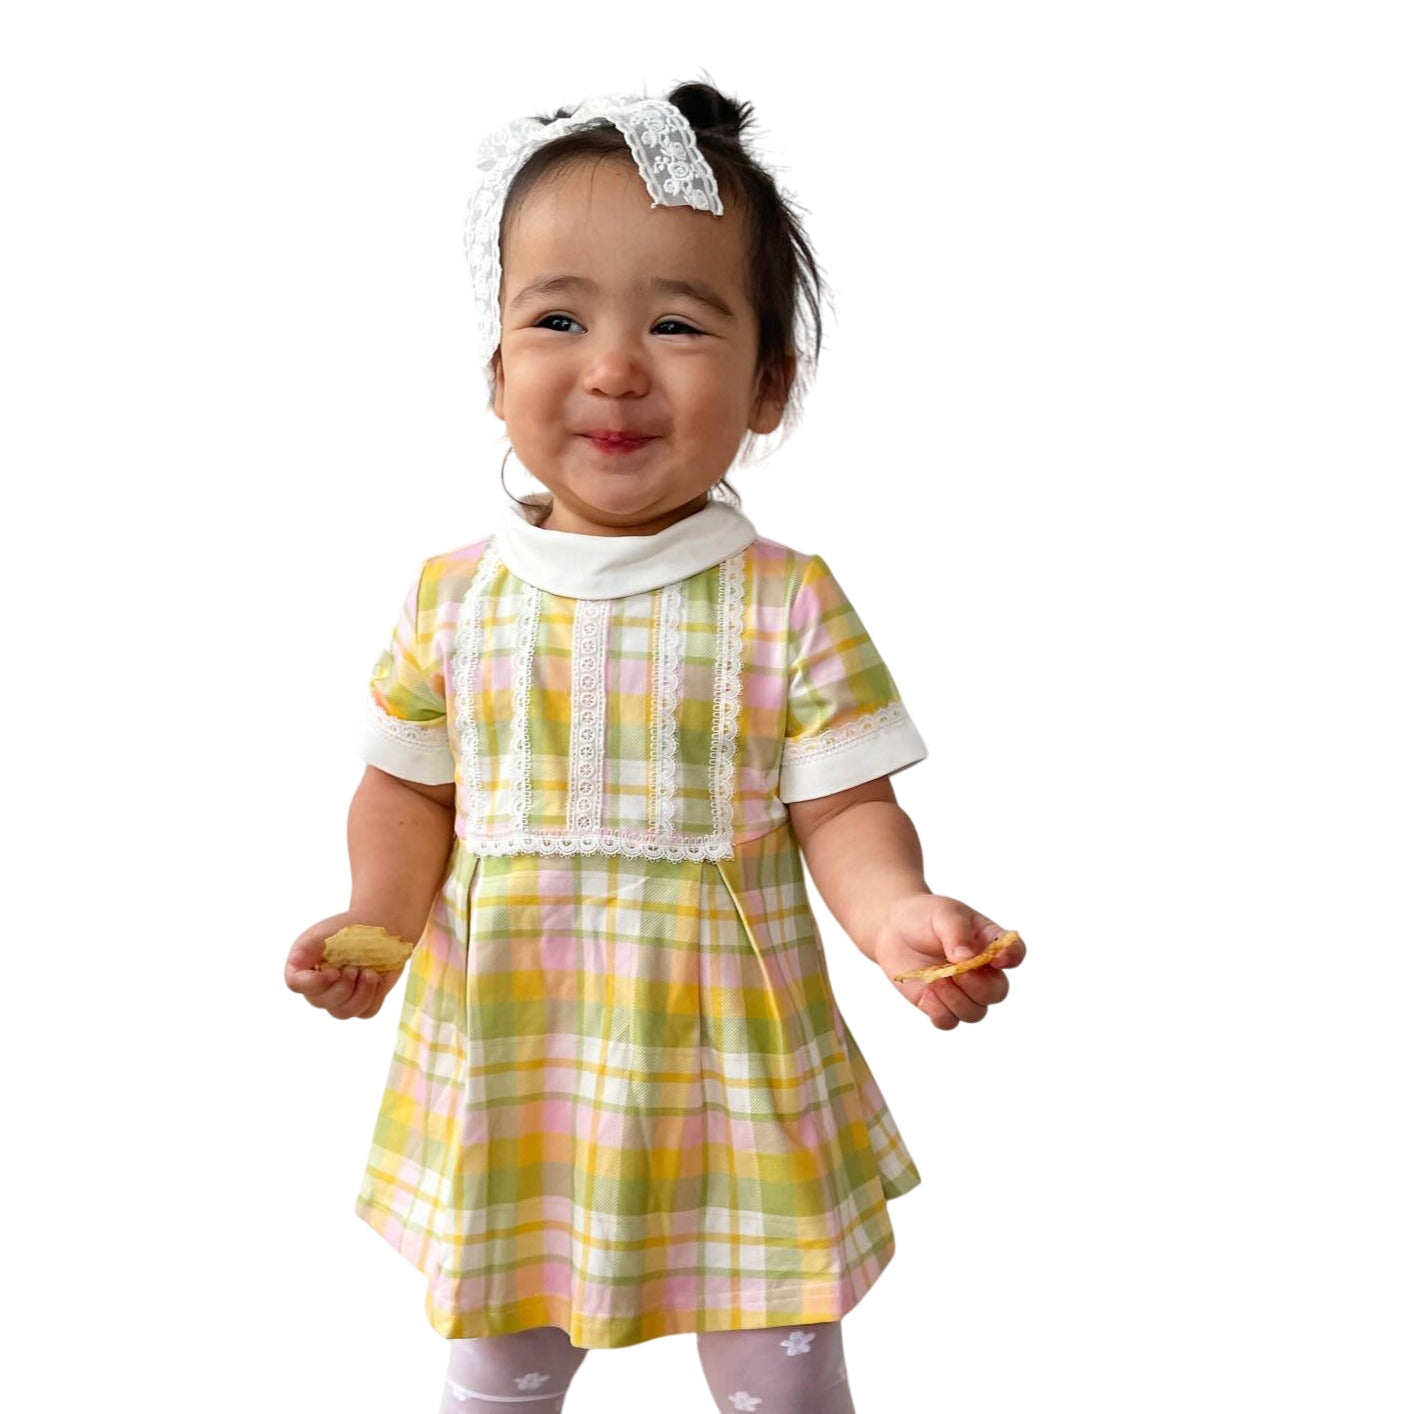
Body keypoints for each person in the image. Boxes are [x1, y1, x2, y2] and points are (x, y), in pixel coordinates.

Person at [285, 81, 1026, 1414]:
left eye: (676, 324)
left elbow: (843, 810)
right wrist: (375, 916)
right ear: (495, 368)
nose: (615, 368)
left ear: (767, 384)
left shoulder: (784, 599)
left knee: (773, 1353)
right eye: (558, 319)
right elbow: (405, 788)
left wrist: (898, 912)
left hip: (726, 1055)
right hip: (519, 1054)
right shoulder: (452, 598)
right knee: (503, 1352)